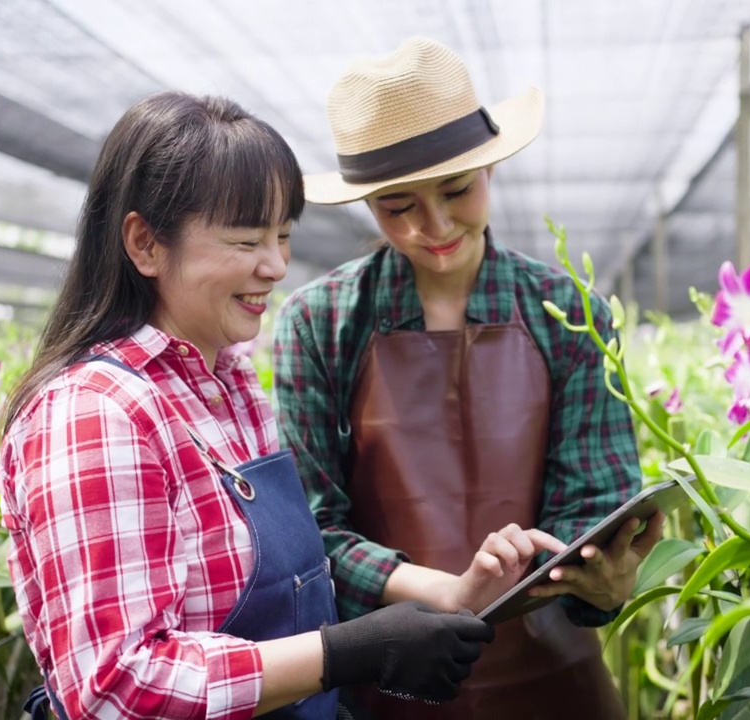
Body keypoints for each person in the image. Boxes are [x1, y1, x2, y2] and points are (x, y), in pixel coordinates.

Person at [0, 91, 514, 720]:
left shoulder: (229, 386)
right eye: (246, 241)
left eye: (283, 235)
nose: (275, 265)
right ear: (145, 244)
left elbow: (283, 577)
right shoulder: (95, 413)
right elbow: (115, 685)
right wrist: (342, 654)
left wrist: (441, 596)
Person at [273, 37, 663, 720]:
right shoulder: (322, 321)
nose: (437, 224)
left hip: (555, 680)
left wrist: (601, 576)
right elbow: (311, 530)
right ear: (368, 206)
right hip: (388, 679)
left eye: (457, 189)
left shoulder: (569, 313)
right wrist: (446, 590)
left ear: (489, 167)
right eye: (399, 207)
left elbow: (595, 498)